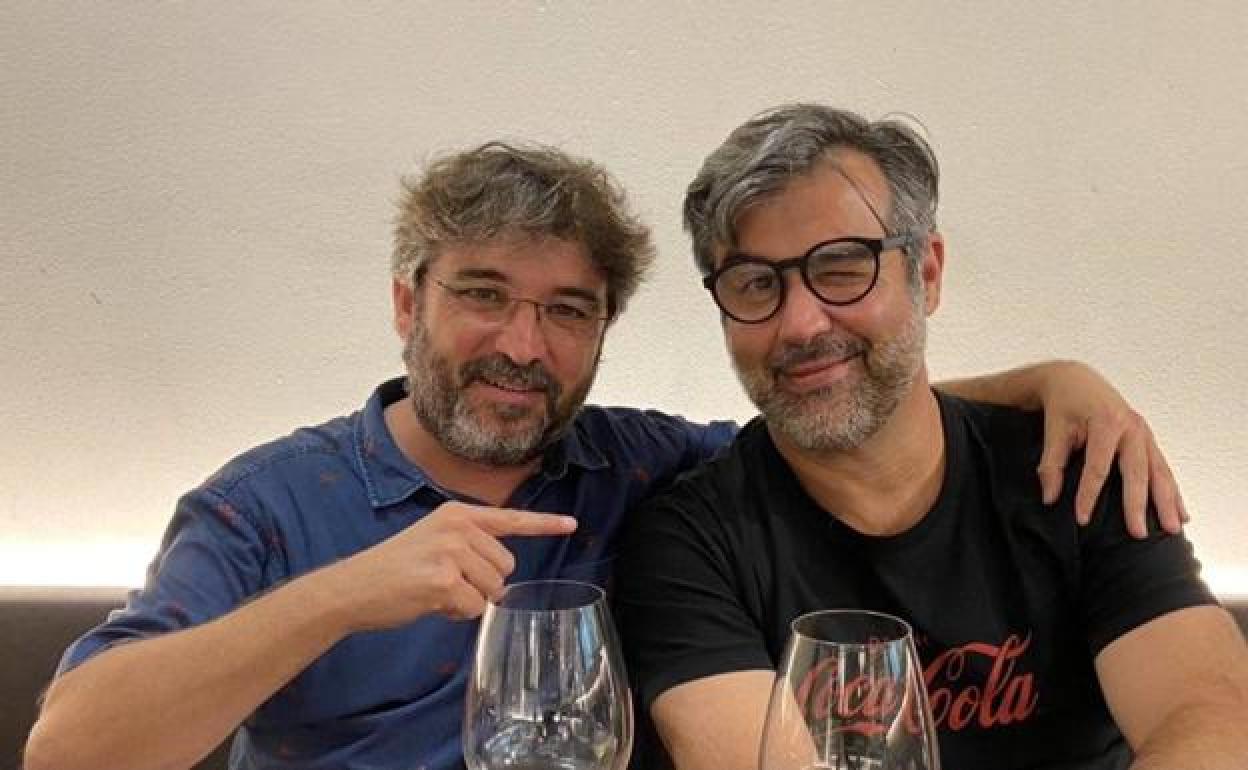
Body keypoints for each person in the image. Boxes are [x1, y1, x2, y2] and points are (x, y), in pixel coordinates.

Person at [24, 141, 1186, 770]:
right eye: (484, 295)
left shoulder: (633, 466)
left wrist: (1048, 383)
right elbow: (72, 745)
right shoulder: (269, 503)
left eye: (568, 310)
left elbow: (827, 400)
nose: (522, 345)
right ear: (406, 302)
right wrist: (341, 596)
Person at [613, 104, 1248, 770]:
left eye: (841, 268)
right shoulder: (689, 541)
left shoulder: (1078, 468)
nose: (800, 324)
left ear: (928, 272)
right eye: (754, 284)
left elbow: (1212, 721)